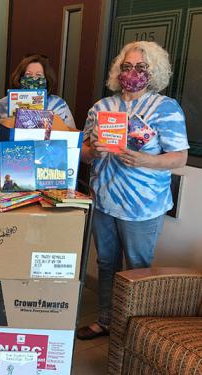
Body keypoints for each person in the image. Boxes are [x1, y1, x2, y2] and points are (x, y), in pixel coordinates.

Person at [77, 41, 188, 340]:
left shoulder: (165, 108)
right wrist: (93, 153)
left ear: (153, 72)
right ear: (118, 71)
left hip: (143, 206)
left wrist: (146, 160)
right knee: (105, 263)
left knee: (137, 269)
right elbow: (83, 152)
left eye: (141, 67)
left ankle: (131, 330)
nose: (133, 73)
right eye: (127, 67)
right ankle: (105, 320)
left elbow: (180, 157)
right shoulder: (102, 108)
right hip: (104, 200)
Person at [0, 53, 76, 145]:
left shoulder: (59, 105)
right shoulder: (3, 104)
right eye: (28, 75)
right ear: (20, 78)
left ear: (46, 79)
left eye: (39, 75)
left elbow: (72, 138)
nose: (34, 78)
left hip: (49, 156)